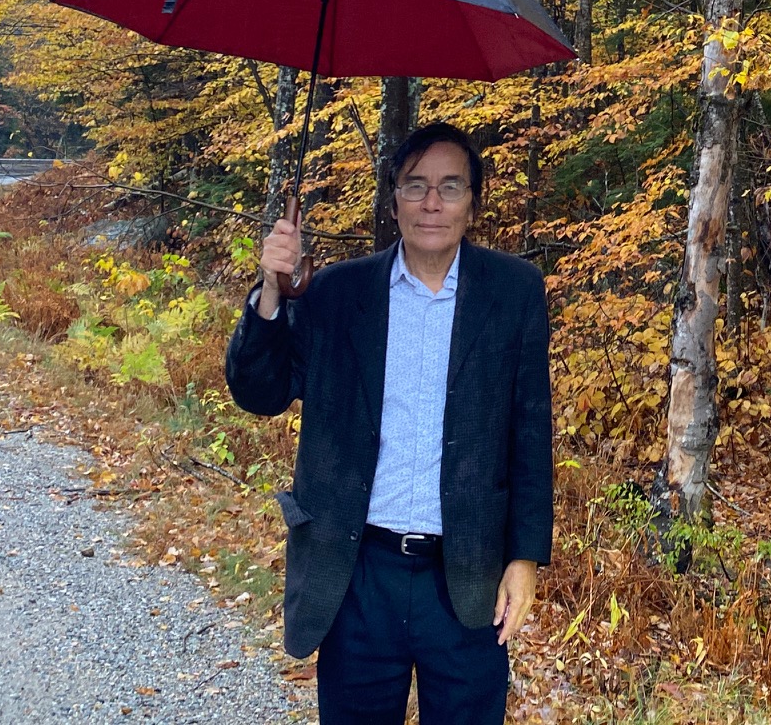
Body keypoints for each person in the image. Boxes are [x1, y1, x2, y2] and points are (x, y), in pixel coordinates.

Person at [226, 121, 553, 725]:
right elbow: (259, 391)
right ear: (393, 199)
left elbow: (531, 432)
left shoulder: (513, 292)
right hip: (357, 573)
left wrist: (525, 558)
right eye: (415, 185)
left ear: (472, 204)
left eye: (450, 187)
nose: (432, 202)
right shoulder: (336, 293)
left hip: (467, 575)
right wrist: (271, 290)